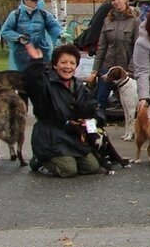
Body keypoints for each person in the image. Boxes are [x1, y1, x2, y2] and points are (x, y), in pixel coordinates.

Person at [25, 43, 102, 177]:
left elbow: (95, 108)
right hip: (50, 136)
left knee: (92, 167)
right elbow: (33, 85)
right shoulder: (46, 83)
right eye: (63, 62)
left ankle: (68, 158)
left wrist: (93, 121)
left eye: (72, 63)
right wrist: (36, 64)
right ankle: (40, 159)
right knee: (68, 170)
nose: (68, 66)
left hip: (72, 136)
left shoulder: (79, 86)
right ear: (55, 65)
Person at [87, 0, 139, 113]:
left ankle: (130, 125)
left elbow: (137, 48)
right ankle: (99, 122)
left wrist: (131, 70)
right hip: (108, 66)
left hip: (125, 69)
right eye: (113, 0)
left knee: (128, 105)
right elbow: (102, 47)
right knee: (100, 100)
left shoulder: (134, 20)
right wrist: (95, 70)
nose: (116, 2)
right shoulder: (107, 20)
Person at [1, 0, 63, 70]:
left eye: (36, 0)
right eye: (33, 0)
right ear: (25, 1)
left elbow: (53, 26)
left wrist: (60, 34)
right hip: (22, 54)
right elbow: (5, 31)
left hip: (42, 52)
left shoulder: (43, 14)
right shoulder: (15, 15)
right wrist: (18, 37)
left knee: (44, 74)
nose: (36, 2)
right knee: (23, 76)